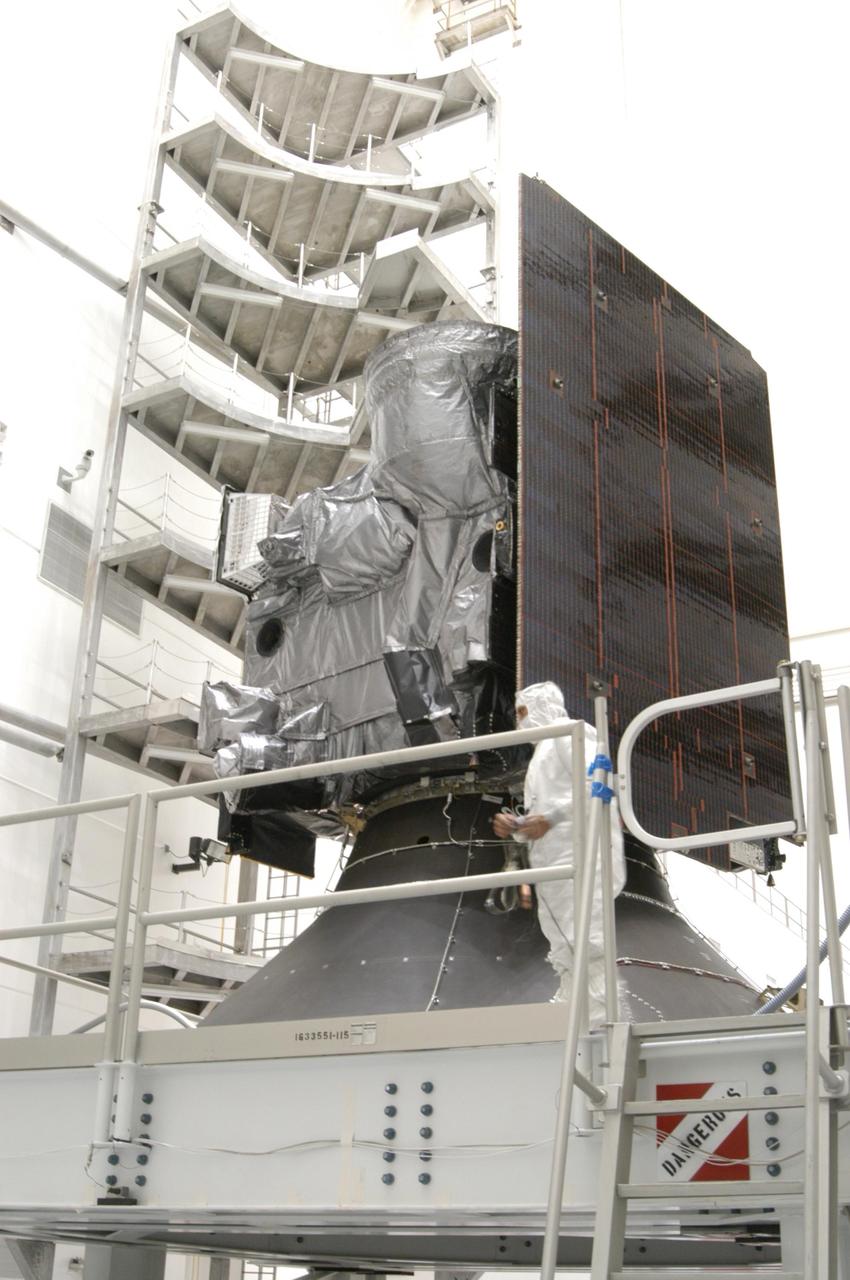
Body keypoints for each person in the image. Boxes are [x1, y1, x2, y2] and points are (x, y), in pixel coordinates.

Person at [491, 681, 626, 1024]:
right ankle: (574, 1009)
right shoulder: (541, 756)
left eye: (523, 713)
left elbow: (598, 787)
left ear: (542, 707)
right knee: (563, 942)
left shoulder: (571, 738)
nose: (519, 722)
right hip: (553, 863)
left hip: (580, 856)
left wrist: (549, 819)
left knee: (588, 939)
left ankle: (602, 1018)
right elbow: (544, 815)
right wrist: (518, 827)